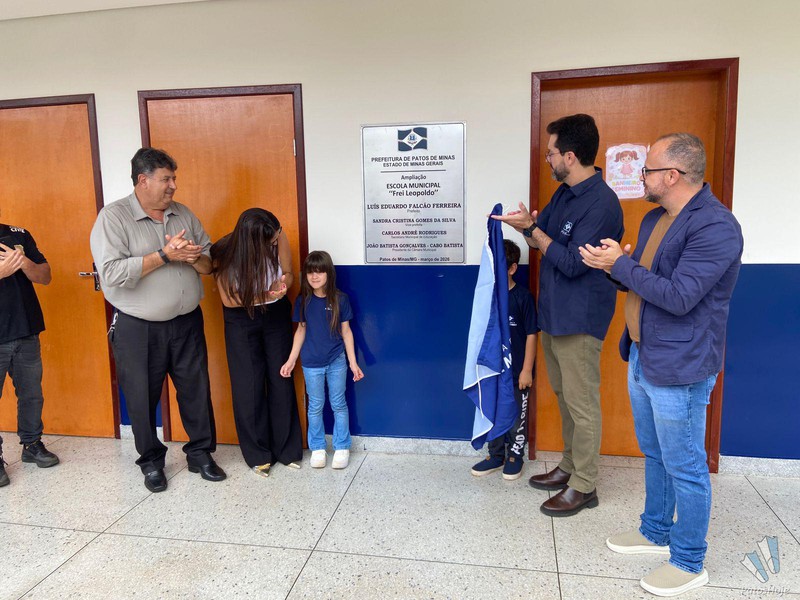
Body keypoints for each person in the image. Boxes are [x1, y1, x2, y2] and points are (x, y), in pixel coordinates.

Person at [579, 133, 743, 597]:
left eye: (647, 169)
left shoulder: (716, 226)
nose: (640, 176)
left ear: (672, 175)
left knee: (685, 464)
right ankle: (655, 530)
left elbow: (680, 297)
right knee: (655, 452)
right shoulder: (655, 218)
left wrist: (621, 266)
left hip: (681, 365)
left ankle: (689, 560)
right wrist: (612, 266)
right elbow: (645, 281)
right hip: (643, 352)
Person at [492, 114, 623, 516]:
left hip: (580, 319)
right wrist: (526, 227)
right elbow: (538, 237)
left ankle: (585, 485)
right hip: (553, 315)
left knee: (582, 403)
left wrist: (533, 230)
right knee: (566, 397)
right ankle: (569, 465)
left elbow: (570, 263)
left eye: (551, 153)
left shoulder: (602, 203)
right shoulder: (564, 193)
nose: (547, 158)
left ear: (570, 156)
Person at [90, 147, 225, 493]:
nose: (173, 186)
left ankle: (200, 454)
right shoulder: (113, 218)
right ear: (143, 180)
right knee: (141, 396)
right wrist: (165, 255)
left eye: (173, 178)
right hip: (139, 328)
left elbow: (210, 264)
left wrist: (193, 258)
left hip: (187, 322)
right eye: (166, 179)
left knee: (196, 390)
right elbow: (111, 273)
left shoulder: (183, 214)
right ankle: (151, 463)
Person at [211, 208, 303, 477]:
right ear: (252, 240)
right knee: (248, 385)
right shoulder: (225, 252)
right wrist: (265, 294)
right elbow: (230, 300)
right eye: (270, 241)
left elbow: (289, 273)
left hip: (275, 312)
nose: (275, 241)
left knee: (281, 377)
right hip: (241, 316)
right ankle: (258, 454)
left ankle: (286, 449)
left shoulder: (277, 234)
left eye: (276, 236)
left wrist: (282, 285)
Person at [280, 251, 364, 470]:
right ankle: (317, 448)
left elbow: (346, 332)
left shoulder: (340, 299)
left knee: (338, 403)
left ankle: (342, 447)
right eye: (310, 272)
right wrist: (291, 360)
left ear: (329, 273)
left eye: (319, 271)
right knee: (315, 406)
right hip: (311, 363)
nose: (314, 276)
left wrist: (353, 363)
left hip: (336, 360)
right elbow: (300, 331)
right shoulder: (303, 301)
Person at [471, 239, 538, 480]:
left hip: (517, 371)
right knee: (492, 411)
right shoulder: (486, 297)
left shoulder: (523, 297)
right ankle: (496, 455)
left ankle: (515, 456)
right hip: (492, 370)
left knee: (516, 415)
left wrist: (527, 370)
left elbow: (532, 334)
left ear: (512, 268)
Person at [0, 224, 59, 487]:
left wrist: (24, 262)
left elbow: (45, 276)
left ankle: (32, 444)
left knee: (32, 394)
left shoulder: (19, 234)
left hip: (26, 329)